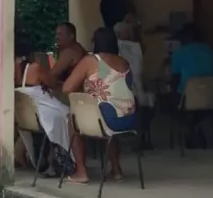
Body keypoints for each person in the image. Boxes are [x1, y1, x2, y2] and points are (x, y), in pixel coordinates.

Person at [62, 28, 136, 184]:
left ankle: (81, 172)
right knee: (108, 111)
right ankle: (116, 170)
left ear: (95, 43)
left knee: (72, 120)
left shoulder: (92, 61)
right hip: (128, 119)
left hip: (106, 120)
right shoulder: (124, 61)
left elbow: (67, 88)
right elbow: (107, 80)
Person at [14, 37, 74, 177]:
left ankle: (51, 158)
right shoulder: (35, 67)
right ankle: (66, 159)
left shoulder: (13, 67)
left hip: (26, 115)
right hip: (41, 110)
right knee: (68, 115)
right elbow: (52, 83)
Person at [114, 20, 155, 149]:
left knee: (148, 101)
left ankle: (140, 134)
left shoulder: (131, 48)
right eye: (127, 32)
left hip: (127, 92)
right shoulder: (123, 48)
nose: (130, 35)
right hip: (127, 94)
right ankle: (140, 134)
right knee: (146, 103)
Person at [170, 23, 213, 97]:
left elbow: (175, 79)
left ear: (185, 37)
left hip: (187, 98)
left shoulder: (179, 52)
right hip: (209, 97)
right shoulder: (209, 50)